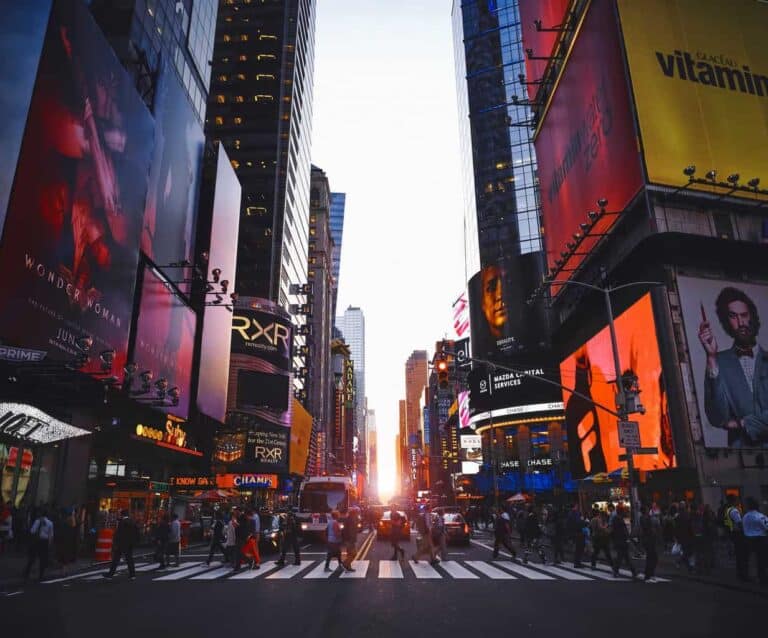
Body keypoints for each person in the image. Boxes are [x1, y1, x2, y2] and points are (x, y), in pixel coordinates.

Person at [699, 287, 768, 447]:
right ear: (726, 322)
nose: (741, 322)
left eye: (744, 315)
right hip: (741, 460)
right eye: (733, 316)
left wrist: (742, 423)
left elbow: (730, 424)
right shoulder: (719, 361)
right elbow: (718, 418)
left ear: (752, 317)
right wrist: (711, 357)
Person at [104, 510, 138, 580]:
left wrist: (115, 542)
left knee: (116, 559)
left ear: (122, 515)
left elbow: (119, 534)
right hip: (129, 543)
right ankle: (132, 574)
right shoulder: (132, 522)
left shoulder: (122, 522)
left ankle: (110, 574)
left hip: (121, 543)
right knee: (129, 559)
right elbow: (136, 534)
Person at [742, 497, 768, 585]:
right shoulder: (760, 516)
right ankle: (763, 578)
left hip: (748, 539)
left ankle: (753, 576)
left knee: (752, 559)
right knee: (762, 559)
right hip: (761, 540)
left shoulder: (745, 516)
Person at [25, 508, 53, 581]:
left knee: (32, 557)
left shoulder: (37, 521)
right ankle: (41, 575)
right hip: (45, 542)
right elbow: (51, 535)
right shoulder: (50, 523)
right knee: (43, 558)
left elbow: (32, 531)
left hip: (37, 541)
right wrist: (49, 544)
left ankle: (27, 573)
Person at [724, 494, 748, 580]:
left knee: (739, 555)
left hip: (734, 533)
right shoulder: (734, 511)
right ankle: (743, 575)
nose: (738, 501)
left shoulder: (728, 510)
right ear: (734, 501)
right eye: (737, 499)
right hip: (739, 534)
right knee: (742, 555)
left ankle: (740, 574)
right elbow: (739, 523)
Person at [611, 505, 637, 579]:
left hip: (619, 540)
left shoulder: (615, 519)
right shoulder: (622, 519)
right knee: (624, 557)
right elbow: (626, 530)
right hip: (622, 540)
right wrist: (628, 538)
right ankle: (633, 572)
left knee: (622, 557)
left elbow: (614, 531)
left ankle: (617, 571)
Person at [55, 507, 78, 576]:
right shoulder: (70, 524)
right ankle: (64, 571)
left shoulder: (62, 522)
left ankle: (64, 571)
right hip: (68, 542)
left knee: (63, 557)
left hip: (63, 542)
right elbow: (74, 526)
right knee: (66, 557)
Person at [639, 504, 659, 582]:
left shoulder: (642, 518)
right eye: (647, 509)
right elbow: (651, 528)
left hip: (646, 539)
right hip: (649, 539)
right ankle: (649, 574)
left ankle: (649, 573)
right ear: (645, 510)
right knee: (653, 557)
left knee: (650, 557)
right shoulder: (647, 518)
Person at [566, 504, 586, 568]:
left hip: (574, 532)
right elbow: (578, 523)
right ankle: (577, 563)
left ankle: (577, 562)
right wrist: (583, 521)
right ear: (575, 507)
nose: (577, 507)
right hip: (578, 532)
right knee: (579, 548)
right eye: (576, 506)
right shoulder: (575, 514)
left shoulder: (570, 514)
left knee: (578, 548)